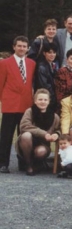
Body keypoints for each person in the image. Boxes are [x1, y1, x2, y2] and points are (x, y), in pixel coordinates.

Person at [0, 36, 36, 173]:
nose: (21, 48)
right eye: (19, 46)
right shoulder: (4, 63)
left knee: (24, 135)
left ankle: (23, 162)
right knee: (6, 135)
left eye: (24, 46)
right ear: (14, 47)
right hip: (10, 104)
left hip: (26, 104)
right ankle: (3, 163)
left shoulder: (32, 63)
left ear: (28, 48)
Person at [16, 89, 60, 175]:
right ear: (35, 101)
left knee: (41, 151)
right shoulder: (29, 111)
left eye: (45, 100)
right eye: (40, 99)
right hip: (27, 143)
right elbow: (24, 126)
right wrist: (44, 134)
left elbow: (59, 129)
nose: (42, 102)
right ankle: (28, 165)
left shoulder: (55, 116)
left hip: (43, 144)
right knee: (26, 135)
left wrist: (56, 134)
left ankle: (38, 163)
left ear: (49, 101)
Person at [33, 42, 59, 113]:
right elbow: (44, 85)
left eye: (54, 52)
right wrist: (54, 98)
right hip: (45, 98)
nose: (52, 55)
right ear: (44, 53)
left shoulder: (52, 65)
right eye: (50, 52)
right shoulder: (42, 67)